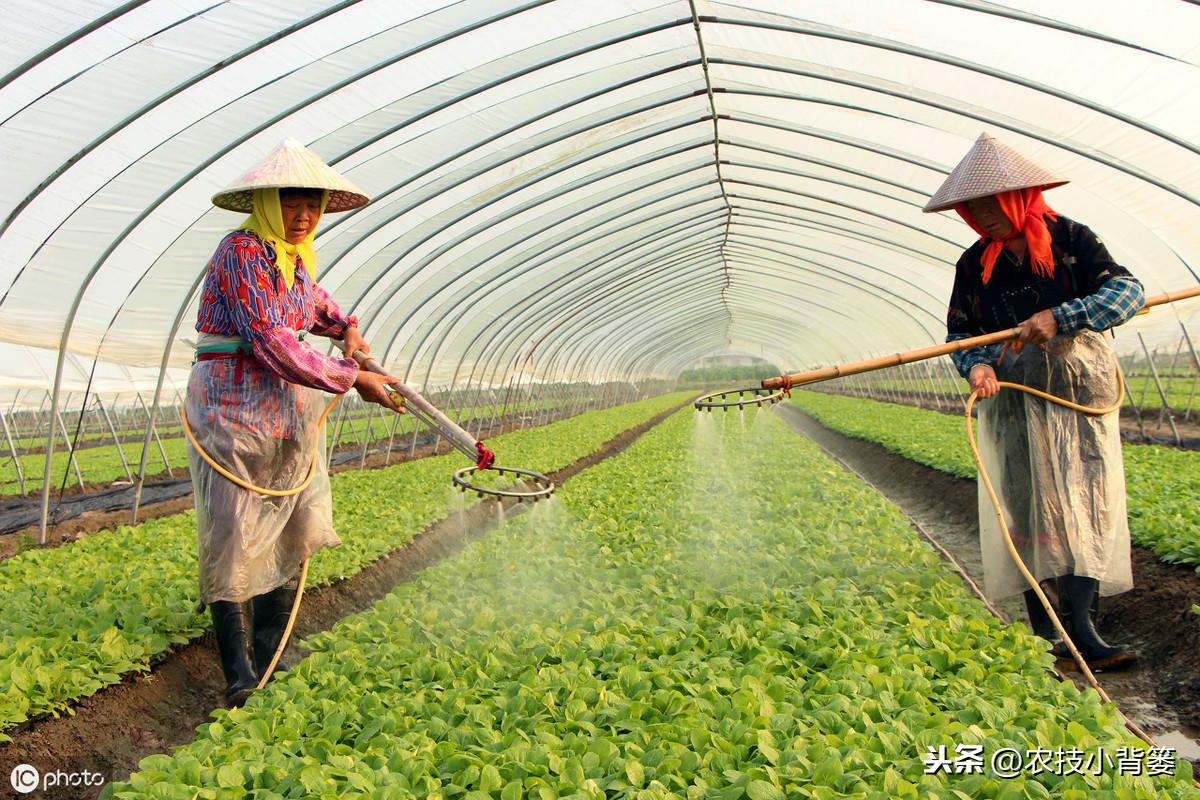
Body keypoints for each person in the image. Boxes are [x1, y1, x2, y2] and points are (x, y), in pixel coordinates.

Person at [189, 138, 401, 705]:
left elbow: (319, 309)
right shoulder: (242, 253)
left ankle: (271, 654)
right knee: (234, 526)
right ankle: (239, 674)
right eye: (291, 202)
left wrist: (348, 332)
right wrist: (354, 378)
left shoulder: (295, 261)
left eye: (313, 204)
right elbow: (272, 340)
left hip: (283, 406)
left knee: (288, 518)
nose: (304, 215)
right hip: (232, 406)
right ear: (265, 203)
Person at [924, 133, 1144, 672]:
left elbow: (1128, 292)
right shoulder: (975, 264)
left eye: (990, 205)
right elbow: (961, 332)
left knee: (1083, 503)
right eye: (972, 209)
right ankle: (1045, 630)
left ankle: (1084, 629)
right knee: (1026, 508)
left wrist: (1061, 316)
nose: (982, 216)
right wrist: (975, 365)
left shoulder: (1072, 240)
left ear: (1019, 198)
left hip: (1077, 398)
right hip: (1016, 401)